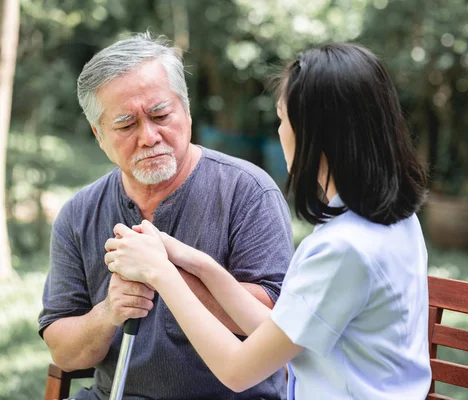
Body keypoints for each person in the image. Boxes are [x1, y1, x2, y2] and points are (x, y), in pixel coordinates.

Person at [105, 43, 432, 399]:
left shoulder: (343, 250)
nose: (279, 132)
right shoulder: (390, 220)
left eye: (282, 118)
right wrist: (186, 258)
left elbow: (237, 370)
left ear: (315, 131)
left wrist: (161, 274)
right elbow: (279, 330)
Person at [38, 32, 294, 400]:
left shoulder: (249, 191)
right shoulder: (78, 214)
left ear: (187, 111)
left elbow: (272, 321)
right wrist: (109, 311)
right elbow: (63, 351)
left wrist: (164, 276)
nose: (149, 136)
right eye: (126, 125)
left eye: (160, 115)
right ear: (98, 134)